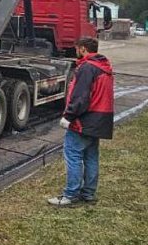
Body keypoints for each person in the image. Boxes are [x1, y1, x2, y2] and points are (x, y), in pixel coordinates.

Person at [49, 37, 114, 206]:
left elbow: (81, 97)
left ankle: (71, 195)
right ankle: (88, 194)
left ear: (83, 49)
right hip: (100, 120)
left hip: (85, 120)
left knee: (73, 155)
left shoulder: (87, 68)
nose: (76, 51)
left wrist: (68, 116)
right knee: (91, 156)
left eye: (77, 48)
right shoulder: (103, 67)